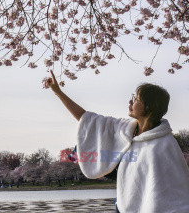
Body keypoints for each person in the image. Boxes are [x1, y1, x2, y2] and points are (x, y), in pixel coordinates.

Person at [45, 70, 189, 212]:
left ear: (148, 107)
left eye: (137, 99)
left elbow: (171, 193)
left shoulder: (164, 145)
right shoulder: (125, 128)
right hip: (123, 205)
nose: (130, 101)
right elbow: (87, 120)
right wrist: (58, 92)